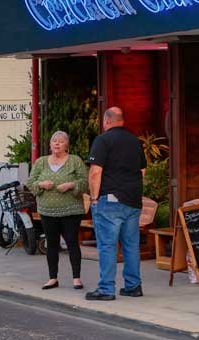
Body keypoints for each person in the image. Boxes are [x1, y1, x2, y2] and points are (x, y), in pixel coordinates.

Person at [85, 106, 145, 300]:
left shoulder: (102, 140)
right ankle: (133, 286)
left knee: (107, 246)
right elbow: (142, 171)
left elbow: (95, 172)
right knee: (131, 246)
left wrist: (94, 199)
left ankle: (106, 289)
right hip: (133, 200)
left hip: (110, 200)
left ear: (107, 121)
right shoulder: (135, 142)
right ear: (122, 121)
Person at [29, 130, 85, 291]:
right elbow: (31, 181)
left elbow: (84, 182)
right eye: (54, 141)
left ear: (66, 145)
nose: (57, 143)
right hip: (48, 210)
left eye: (60, 141)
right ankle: (53, 278)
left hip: (71, 210)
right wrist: (41, 185)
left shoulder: (75, 161)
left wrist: (71, 185)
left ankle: (76, 278)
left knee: (72, 242)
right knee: (51, 243)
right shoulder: (41, 162)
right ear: (50, 144)